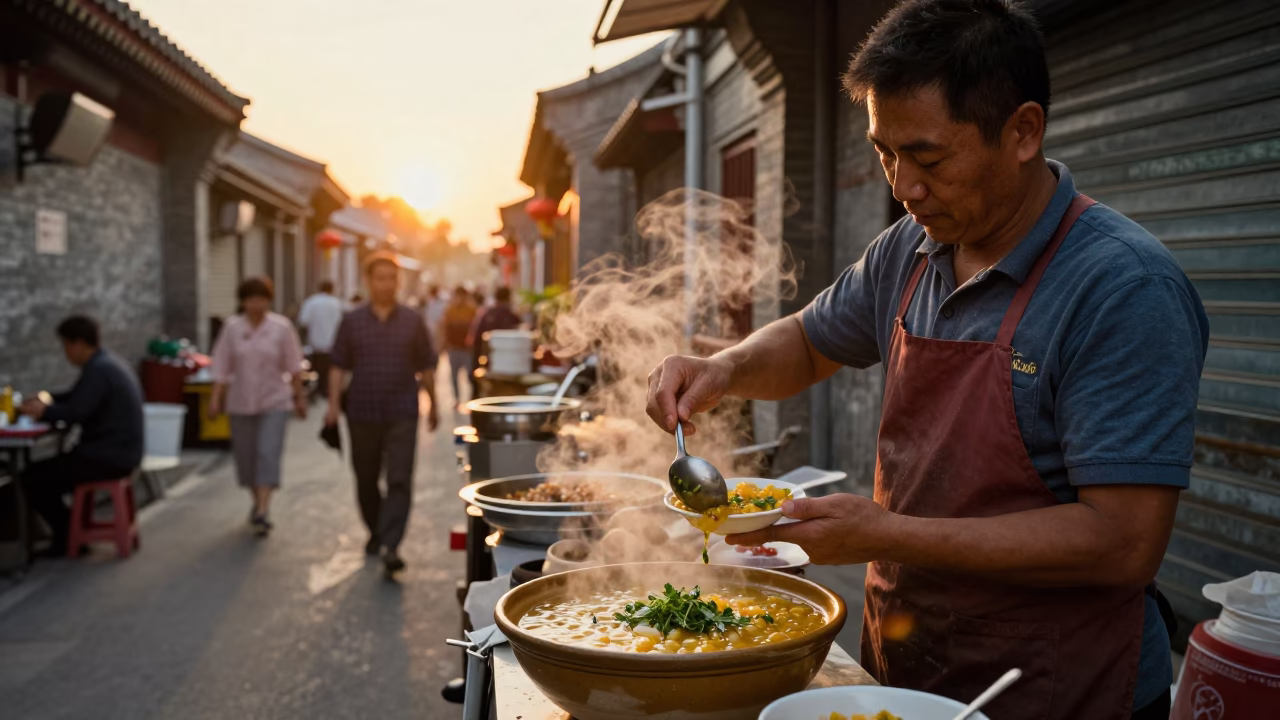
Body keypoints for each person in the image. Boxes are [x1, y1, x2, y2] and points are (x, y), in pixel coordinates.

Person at [645, 3, 1207, 719]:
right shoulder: (908, 251)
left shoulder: (1122, 288)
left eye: (928, 157)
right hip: (908, 665)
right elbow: (811, 339)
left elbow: (1122, 542)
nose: (902, 187)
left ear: (1023, 131)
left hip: (1056, 686)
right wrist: (724, 368)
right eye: (885, 153)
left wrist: (885, 534)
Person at [325, 253, 439, 577]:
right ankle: (376, 530)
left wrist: (434, 403)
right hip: (362, 411)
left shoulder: (412, 320)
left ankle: (392, 544)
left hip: (403, 410)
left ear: (398, 281)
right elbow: (338, 365)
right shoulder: (352, 321)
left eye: (392, 278)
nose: (386, 284)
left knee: (400, 478)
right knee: (366, 477)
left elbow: (426, 364)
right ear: (368, 281)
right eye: (380, 278)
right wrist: (333, 406)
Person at [20, 316, 143, 556]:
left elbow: (77, 412)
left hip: (107, 457)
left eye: (66, 346)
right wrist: (49, 399)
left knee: (32, 478)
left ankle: (66, 538)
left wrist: (44, 412)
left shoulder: (99, 370)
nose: (66, 353)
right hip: (119, 453)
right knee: (44, 474)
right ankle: (70, 533)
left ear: (77, 344)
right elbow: (76, 398)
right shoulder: (106, 364)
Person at [209, 277, 307, 536]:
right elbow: (221, 365)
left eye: (261, 299)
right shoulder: (232, 328)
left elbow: (294, 365)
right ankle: (256, 500)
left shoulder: (281, 328)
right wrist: (215, 398)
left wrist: (300, 398)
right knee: (247, 457)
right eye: (251, 299)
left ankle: (263, 509)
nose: (256, 305)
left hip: (275, 401)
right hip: (240, 402)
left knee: (268, 452)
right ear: (242, 302)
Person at [297, 280, 345, 400]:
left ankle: (318, 391)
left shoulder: (311, 302)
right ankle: (325, 391)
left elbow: (303, 321)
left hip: (316, 343)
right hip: (332, 344)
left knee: (317, 370)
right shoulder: (337, 303)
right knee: (329, 371)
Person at [468, 286, 523, 378]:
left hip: (489, 365)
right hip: (510, 368)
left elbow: (476, 341)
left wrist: (475, 368)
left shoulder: (487, 314)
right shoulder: (512, 316)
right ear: (509, 298)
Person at [441, 285, 478, 406]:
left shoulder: (471, 310)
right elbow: (445, 327)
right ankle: (457, 399)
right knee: (454, 375)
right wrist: (445, 343)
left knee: (470, 374)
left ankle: (472, 397)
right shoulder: (450, 310)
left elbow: (475, 328)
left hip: (467, 348)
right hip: (454, 347)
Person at [422, 284, 447, 357]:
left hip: (437, 329)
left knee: (436, 350)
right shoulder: (427, 302)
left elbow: (442, 318)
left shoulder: (441, 303)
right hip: (428, 329)